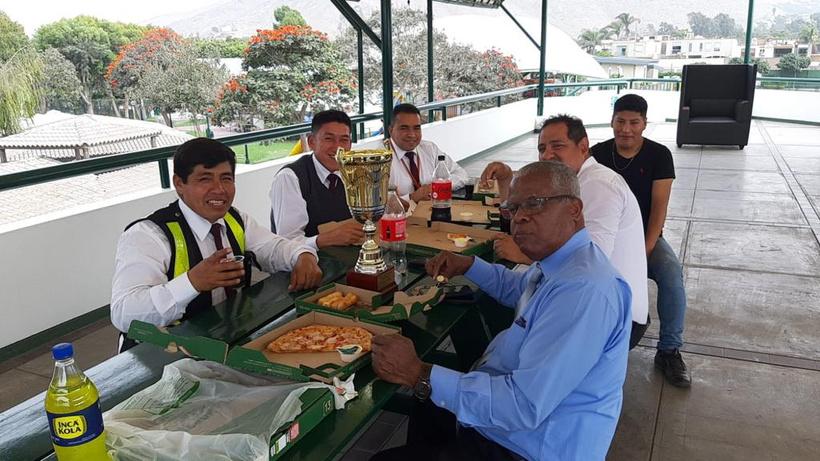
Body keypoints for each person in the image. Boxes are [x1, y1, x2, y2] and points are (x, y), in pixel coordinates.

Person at [370, 161, 632, 461]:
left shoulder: (583, 291)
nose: (519, 218)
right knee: (428, 403)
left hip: (526, 447)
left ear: (574, 209)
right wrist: (468, 265)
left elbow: (522, 406)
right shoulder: (563, 263)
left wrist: (419, 373)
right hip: (508, 418)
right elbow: (520, 288)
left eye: (535, 204)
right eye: (513, 208)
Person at [111, 138, 323, 352]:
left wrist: (302, 255)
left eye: (226, 178)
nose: (219, 189)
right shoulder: (148, 235)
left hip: (222, 338)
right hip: (162, 354)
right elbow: (123, 313)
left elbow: (272, 247)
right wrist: (192, 282)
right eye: (205, 179)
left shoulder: (234, 219)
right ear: (179, 184)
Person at [481, 115, 649, 350]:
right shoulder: (570, 182)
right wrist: (507, 179)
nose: (547, 155)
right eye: (542, 148)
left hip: (616, 316)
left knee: (504, 309)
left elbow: (593, 258)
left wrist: (523, 254)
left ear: (583, 146)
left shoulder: (599, 185)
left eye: (557, 146)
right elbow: (522, 211)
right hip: (587, 299)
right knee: (507, 296)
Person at [590, 94, 691, 388]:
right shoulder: (597, 154)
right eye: (620, 121)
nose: (626, 129)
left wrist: (643, 251)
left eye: (634, 122)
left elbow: (659, 210)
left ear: (644, 123)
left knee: (671, 274)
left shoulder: (659, 155)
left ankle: (669, 350)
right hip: (603, 236)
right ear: (612, 122)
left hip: (645, 237)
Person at [269, 110, 364, 251]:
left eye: (344, 140)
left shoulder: (354, 171)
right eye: (329, 139)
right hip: (309, 261)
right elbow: (287, 243)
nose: (338, 148)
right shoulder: (290, 178)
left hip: (350, 256)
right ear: (312, 142)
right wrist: (324, 239)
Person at [388, 103, 469, 205]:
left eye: (417, 128)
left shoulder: (429, 149)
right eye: (404, 128)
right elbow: (379, 204)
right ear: (391, 130)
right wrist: (411, 197)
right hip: (401, 214)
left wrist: (435, 186)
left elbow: (461, 174)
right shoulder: (380, 159)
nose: (412, 134)